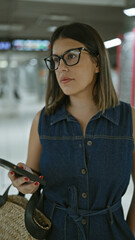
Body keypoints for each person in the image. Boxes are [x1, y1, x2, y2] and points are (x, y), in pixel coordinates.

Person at [8, 22, 135, 240]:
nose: (61, 68)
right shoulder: (44, 120)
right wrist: (25, 183)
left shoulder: (129, 119)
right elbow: (33, 180)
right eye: (56, 60)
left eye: (71, 56)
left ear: (97, 62)